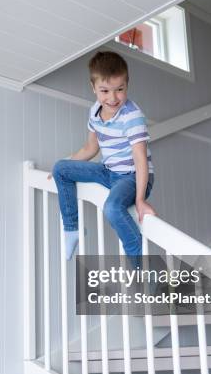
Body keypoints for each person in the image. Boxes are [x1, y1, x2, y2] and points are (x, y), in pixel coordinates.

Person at [51, 50, 156, 263]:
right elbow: (91, 148)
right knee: (60, 168)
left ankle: (141, 269)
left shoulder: (131, 115)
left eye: (120, 89)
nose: (113, 97)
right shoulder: (94, 112)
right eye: (105, 90)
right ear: (94, 88)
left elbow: (140, 159)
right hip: (108, 172)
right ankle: (72, 229)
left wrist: (140, 199)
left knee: (112, 208)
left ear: (127, 85)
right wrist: (66, 165)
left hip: (132, 176)